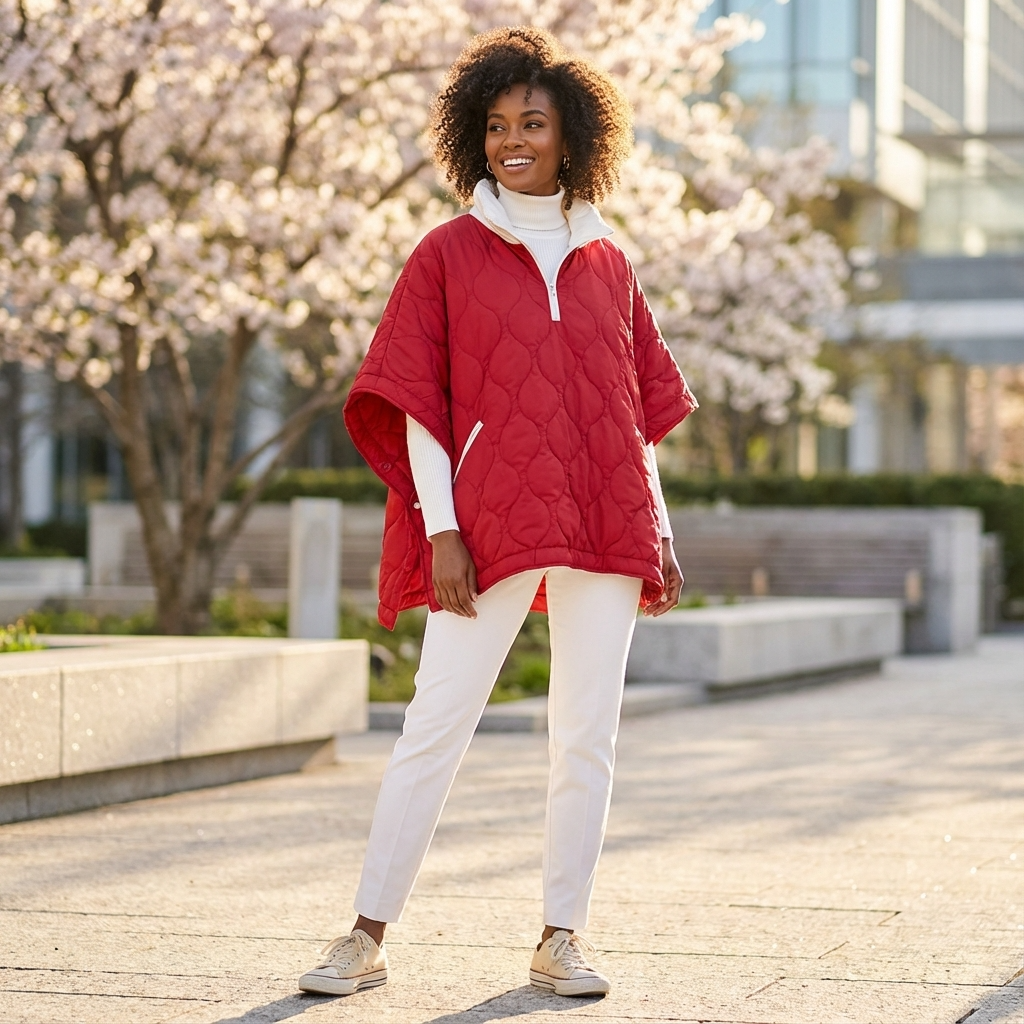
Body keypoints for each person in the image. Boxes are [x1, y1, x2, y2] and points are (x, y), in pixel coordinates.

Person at [298, 26, 697, 1000]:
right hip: (483, 524)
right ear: (473, 136)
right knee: (435, 722)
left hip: (604, 519)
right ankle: (363, 935)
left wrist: (660, 524)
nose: (513, 139)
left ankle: (560, 936)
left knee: (586, 733)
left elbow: (634, 414)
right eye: (496, 124)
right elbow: (420, 403)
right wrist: (441, 527)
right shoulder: (446, 255)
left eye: (533, 122)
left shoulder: (610, 261)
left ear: (573, 136)